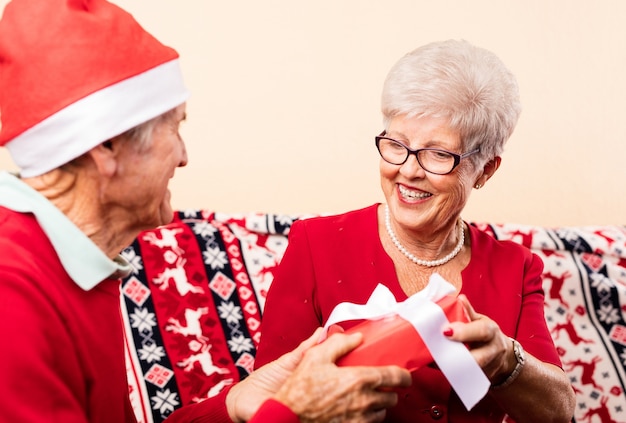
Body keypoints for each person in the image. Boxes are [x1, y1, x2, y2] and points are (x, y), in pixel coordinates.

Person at [0, 0, 411, 422]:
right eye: (174, 128)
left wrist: (236, 405)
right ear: (105, 148)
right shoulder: (11, 296)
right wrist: (293, 415)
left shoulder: (76, 262)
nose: (183, 157)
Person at [254, 39, 577, 422]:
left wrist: (507, 360)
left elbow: (558, 413)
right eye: (396, 145)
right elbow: (264, 398)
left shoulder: (516, 267)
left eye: (438, 154)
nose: (408, 170)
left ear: (486, 170)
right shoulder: (315, 243)